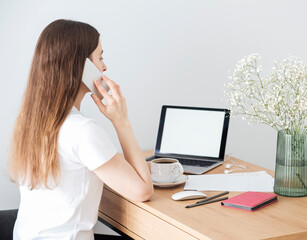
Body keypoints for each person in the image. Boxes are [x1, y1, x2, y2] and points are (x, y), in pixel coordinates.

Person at [9, 19, 154, 240]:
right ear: (81, 66)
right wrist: (121, 121)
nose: (104, 67)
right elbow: (143, 191)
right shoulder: (82, 130)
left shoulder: (31, 123)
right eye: (100, 57)